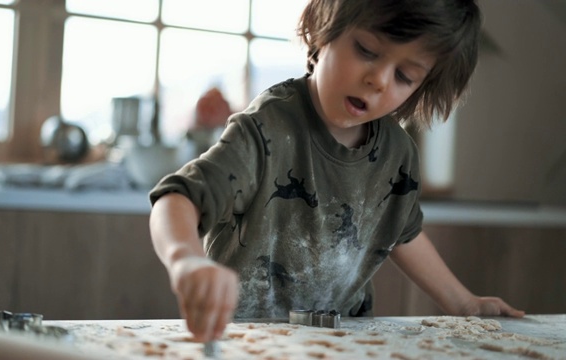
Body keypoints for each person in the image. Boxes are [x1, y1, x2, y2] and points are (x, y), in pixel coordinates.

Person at [148, 0, 525, 343]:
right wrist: (186, 259)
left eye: (404, 76)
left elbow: (403, 235)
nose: (378, 79)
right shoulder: (267, 130)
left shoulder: (398, 154)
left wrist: (464, 303)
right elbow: (178, 198)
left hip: (344, 341)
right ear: (321, 28)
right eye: (367, 51)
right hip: (242, 340)